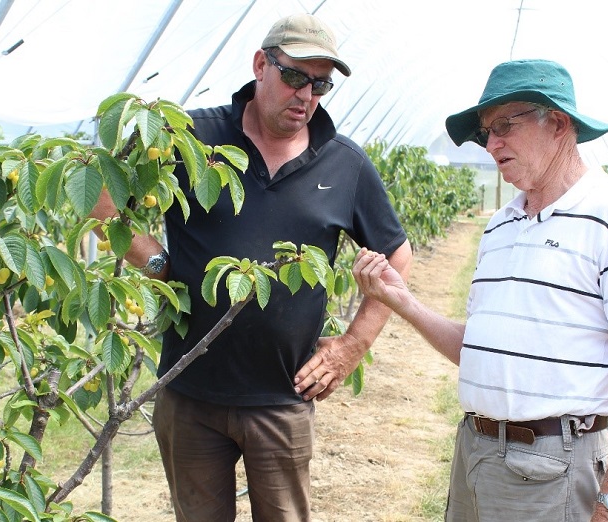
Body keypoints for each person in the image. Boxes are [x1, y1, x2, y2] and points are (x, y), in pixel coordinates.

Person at [91, 13, 412, 522]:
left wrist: (353, 346)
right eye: (294, 76)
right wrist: (159, 265)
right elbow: (103, 197)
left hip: (282, 396)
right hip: (188, 388)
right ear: (261, 64)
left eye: (321, 84)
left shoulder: (344, 163)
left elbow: (396, 254)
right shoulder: (190, 137)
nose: (306, 95)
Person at [352, 59, 608, 521]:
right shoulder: (501, 226)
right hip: (475, 454)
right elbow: (482, 350)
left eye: (504, 125)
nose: (491, 143)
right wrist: (401, 300)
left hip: (552, 470)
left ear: (558, 123)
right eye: (486, 132)